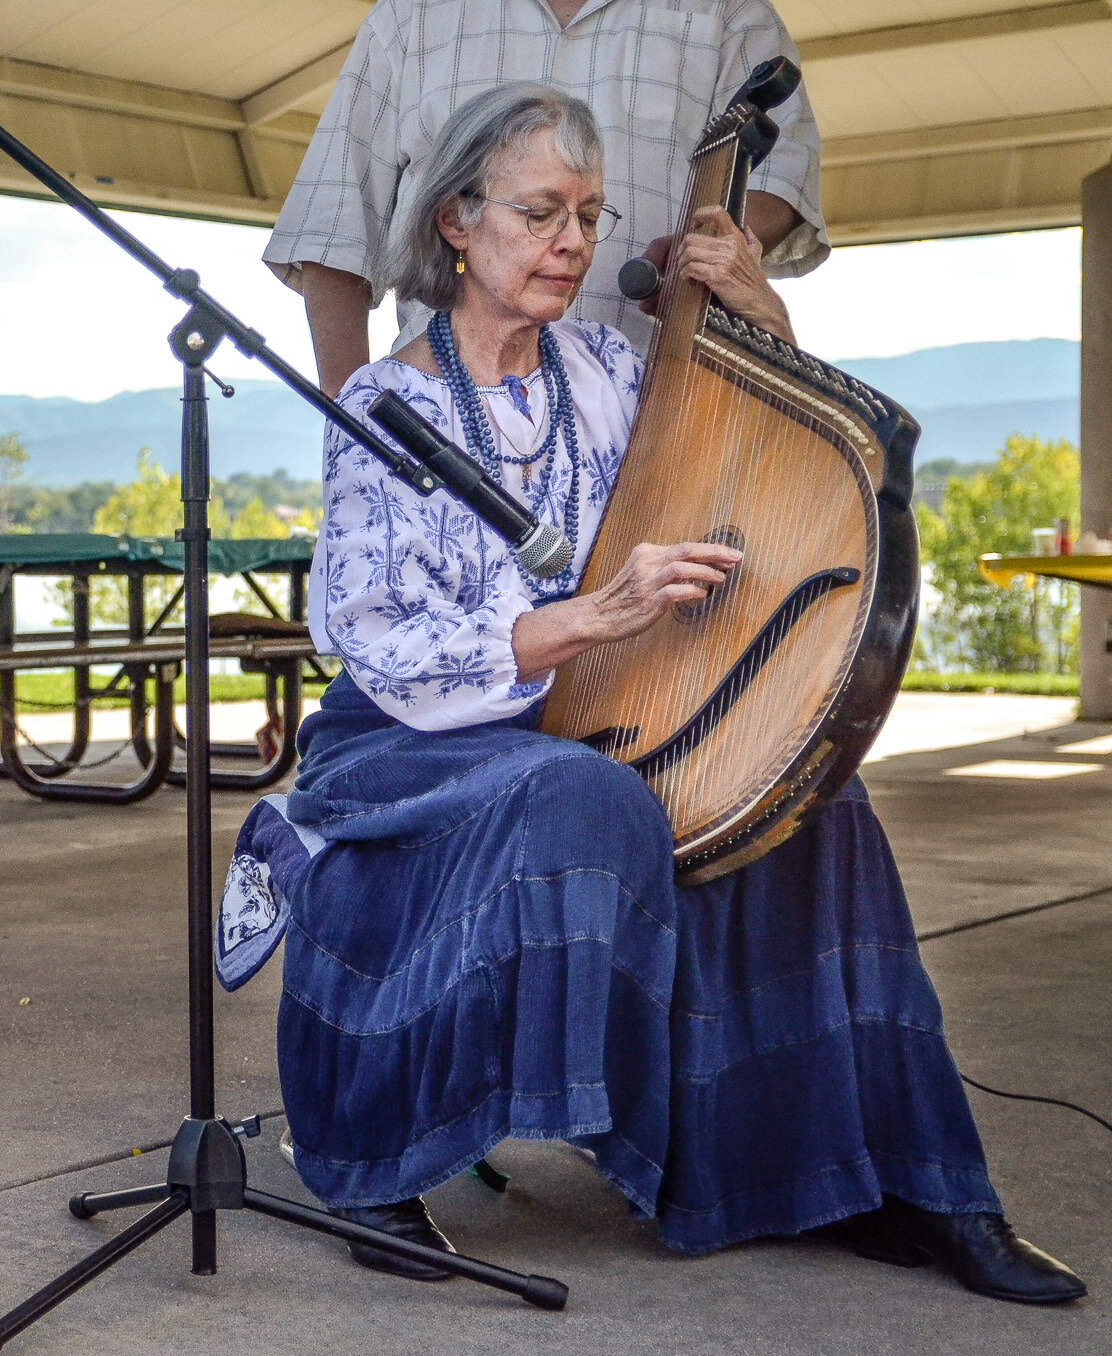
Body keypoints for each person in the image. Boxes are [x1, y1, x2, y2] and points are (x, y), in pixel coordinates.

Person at [247, 83, 1085, 1304]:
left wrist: (761, 314)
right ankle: (380, 1156)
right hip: (411, 738)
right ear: (455, 226)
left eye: (587, 215)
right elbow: (380, 640)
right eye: (538, 212)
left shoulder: (604, 364)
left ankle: (887, 1181)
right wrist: (593, 615)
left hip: (593, 702)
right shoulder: (389, 406)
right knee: (576, 796)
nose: (570, 242)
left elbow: (758, 444)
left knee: (807, 795)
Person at [263, 0, 826, 395]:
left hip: (654, 411)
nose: (572, 240)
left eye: (587, 216)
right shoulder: (409, 15)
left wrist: (696, 245)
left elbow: (783, 181)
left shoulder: (728, 12)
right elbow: (334, 230)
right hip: (441, 417)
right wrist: (354, 416)